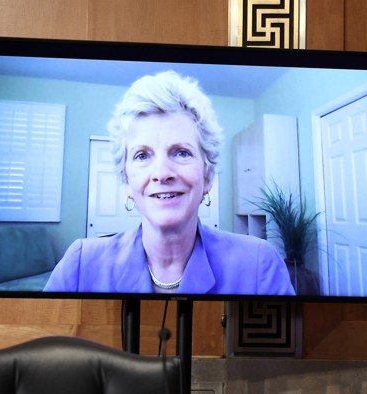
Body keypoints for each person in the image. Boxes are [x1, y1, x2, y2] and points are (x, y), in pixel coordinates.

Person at [45, 71, 295, 295]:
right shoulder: (79, 266)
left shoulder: (259, 265)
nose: (162, 173)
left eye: (181, 152)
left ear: (207, 176)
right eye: (142, 155)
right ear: (126, 182)